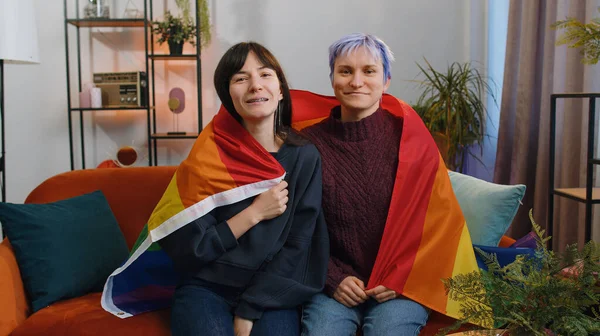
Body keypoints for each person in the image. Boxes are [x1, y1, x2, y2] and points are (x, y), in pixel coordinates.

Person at [300, 33, 478, 336]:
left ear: (386, 81)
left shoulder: (412, 138)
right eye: (346, 71)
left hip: (401, 284)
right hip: (334, 285)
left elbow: (439, 227)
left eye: (369, 71)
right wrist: (332, 279)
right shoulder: (307, 145)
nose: (357, 82)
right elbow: (296, 227)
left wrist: (403, 278)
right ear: (332, 80)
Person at [156, 42, 329, 336]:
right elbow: (188, 247)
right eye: (240, 78)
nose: (254, 85)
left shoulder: (304, 156)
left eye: (265, 75)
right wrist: (254, 213)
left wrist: (250, 310)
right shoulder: (209, 153)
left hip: (271, 291)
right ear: (228, 95)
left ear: (281, 89)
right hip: (206, 287)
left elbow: (299, 246)